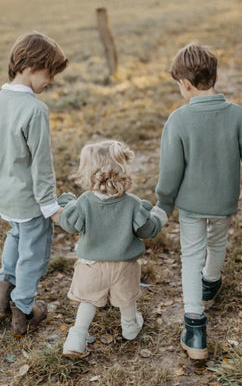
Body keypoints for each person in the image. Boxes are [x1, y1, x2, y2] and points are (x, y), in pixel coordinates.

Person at [155, 42, 242, 360]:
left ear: (186, 84)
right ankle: (211, 282)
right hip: (224, 200)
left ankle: (195, 327)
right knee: (218, 240)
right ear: (214, 76)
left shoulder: (178, 120)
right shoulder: (238, 115)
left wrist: (165, 203)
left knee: (190, 255)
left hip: (192, 205)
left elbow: (170, 171)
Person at [0, 31, 69, 336]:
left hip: (4, 196)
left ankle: (3, 293)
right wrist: (50, 206)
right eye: (50, 74)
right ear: (32, 67)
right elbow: (41, 165)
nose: (52, 82)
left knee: (16, 237)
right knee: (33, 254)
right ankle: (24, 310)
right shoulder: (35, 110)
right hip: (29, 201)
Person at [52, 140, 167, 357]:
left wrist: (68, 203)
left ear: (89, 172)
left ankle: (77, 337)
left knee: (88, 302)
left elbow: (68, 224)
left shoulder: (83, 202)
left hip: (91, 265)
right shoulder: (133, 204)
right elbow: (148, 230)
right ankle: (130, 327)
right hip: (124, 266)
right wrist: (158, 216)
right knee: (127, 300)